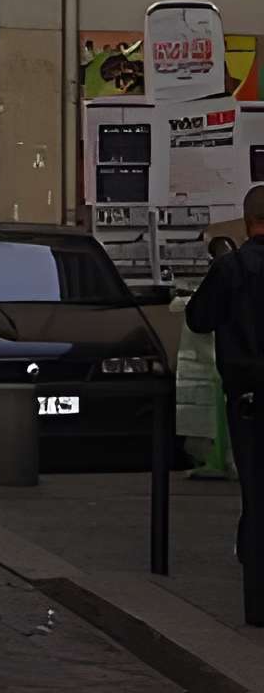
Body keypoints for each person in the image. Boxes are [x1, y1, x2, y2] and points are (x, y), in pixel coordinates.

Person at [186, 185, 264, 573]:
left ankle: (256, 582)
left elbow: (199, 319)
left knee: (257, 494)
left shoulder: (230, 268)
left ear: (248, 223)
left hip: (248, 396)